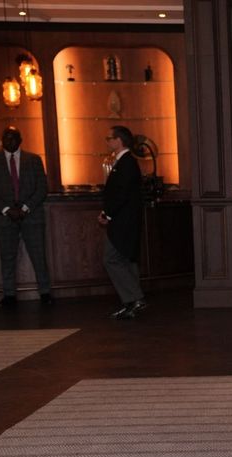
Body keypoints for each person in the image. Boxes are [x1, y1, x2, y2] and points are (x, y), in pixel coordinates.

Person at [0, 126, 53, 307]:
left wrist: (25, 208)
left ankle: (45, 293)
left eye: (14, 138)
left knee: (39, 256)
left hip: (32, 215)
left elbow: (42, 188)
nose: (10, 141)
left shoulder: (34, 160)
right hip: (4, 217)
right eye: (6, 138)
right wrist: (7, 209)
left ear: (20, 140)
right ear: (1, 140)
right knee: (7, 257)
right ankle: (9, 296)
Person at [99, 125, 146, 320]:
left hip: (123, 222)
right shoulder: (124, 162)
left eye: (109, 138)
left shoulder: (126, 163)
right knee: (126, 259)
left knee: (111, 258)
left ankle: (135, 298)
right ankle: (130, 302)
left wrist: (108, 214)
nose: (107, 142)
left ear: (119, 140)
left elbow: (121, 194)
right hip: (124, 220)